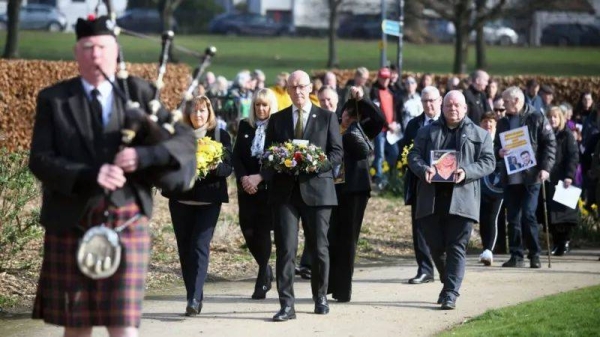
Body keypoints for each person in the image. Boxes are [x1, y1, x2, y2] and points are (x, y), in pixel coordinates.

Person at [29, 15, 196, 337]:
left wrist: (145, 155)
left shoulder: (139, 92)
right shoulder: (55, 99)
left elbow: (184, 140)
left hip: (126, 218)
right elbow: (39, 160)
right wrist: (89, 174)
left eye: (102, 47)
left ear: (116, 51)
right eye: (87, 47)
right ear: (76, 53)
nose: (95, 54)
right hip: (71, 219)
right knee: (76, 325)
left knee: (123, 325)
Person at [262, 70, 343, 321]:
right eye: (293, 87)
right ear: (287, 90)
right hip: (286, 193)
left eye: (302, 86)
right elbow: (268, 154)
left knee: (319, 248)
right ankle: (287, 304)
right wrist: (279, 161)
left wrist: (315, 164)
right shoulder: (277, 119)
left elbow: (337, 153)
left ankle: (320, 295)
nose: (297, 91)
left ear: (310, 89)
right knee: (286, 249)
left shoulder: (327, 117)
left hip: (318, 191)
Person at [408, 90, 495, 310]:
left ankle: (450, 293)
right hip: (432, 198)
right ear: (442, 107)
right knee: (435, 246)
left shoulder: (480, 134)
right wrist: (422, 169)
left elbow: (488, 162)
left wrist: (467, 171)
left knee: (456, 246)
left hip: (463, 199)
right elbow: (413, 155)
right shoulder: (426, 132)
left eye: (457, 105)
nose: (453, 109)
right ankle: (449, 284)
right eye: (449, 105)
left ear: (465, 108)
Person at [163, 95, 233, 316]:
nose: (198, 115)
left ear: (209, 113)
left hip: (208, 200)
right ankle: (193, 295)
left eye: (202, 111)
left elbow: (228, 169)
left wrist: (213, 165)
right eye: (194, 111)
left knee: (199, 247)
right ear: (188, 114)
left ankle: (194, 297)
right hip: (180, 200)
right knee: (185, 249)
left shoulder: (221, 135)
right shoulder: (177, 136)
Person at [328, 87, 384, 302]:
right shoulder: (331, 128)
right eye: (347, 113)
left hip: (355, 190)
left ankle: (343, 289)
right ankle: (329, 284)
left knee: (348, 239)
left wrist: (363, 100)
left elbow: (379, 119)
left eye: (354, 114)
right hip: (333, 189)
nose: (348, 117)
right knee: (331, 237)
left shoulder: (361, 130)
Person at [496, 86, 556, 269]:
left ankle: (535, 254)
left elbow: (549, 144)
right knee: (513, 217)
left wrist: (546, 168)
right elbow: (495, 145)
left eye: (505, 101)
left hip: (531, 177)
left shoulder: (536, 117)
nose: (503, 105)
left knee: (528, 215)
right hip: (511, 177)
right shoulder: (503, 122)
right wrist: (498, 152)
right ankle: (516, 255)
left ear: (516, 101)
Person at [232, 88, 278, 299]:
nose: (261, 109)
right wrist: (244, 179)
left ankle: (262, 278)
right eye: (258, 105)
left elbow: (280, 159)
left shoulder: (277, 127)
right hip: (246, 189)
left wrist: (260, 177)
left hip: (268, 188)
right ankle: (265, 268)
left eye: (265, 105)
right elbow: (237, 157)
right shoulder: (245, 125)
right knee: (248, 230)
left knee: (262, 231)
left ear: (271, 107)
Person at [398, 86, 441, 285]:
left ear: (439, 101)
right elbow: (405, 150)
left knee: (443, 225)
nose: (428, 105)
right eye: (425, 101)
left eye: (432, 100)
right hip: (419, 181)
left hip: (445, 184)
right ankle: (425, 269)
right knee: (419, 226)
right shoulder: (414, 124)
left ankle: (447, 266)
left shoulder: (447, 122)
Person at [539, 106, 579, 256]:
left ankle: (565, 242)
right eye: (550, 117)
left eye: (555, 117)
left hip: (563, 179)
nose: (552, 120)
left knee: (564, 214)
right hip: (550, 179)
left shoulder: (567, 135)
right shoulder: (545, 134)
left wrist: (569, 175)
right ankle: (556, 243)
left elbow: (573, 156)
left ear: (561, 119)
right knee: (550, 214)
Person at [370, 67, 401, 188]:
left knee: (394, 153)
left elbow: (393, 110)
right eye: (382, 78)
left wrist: (394, 122)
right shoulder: (374, 91)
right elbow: (376, 112)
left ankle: (385, 174)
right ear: (378, 78)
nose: (385, 81)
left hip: (391, 130)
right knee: (380, 155)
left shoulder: (390, 91)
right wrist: (387, 125)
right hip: (380, 129)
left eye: (387, 78)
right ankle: (379, 179)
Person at [479, 112, 504, 265]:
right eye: (485, 121)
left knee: (493, 217)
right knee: (483, 218)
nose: (488, 125)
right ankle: (485, 249)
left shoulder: (502, 141)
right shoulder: (477, 140)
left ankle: (490, 249)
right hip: (480, 186)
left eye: (491, 122)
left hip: (497, 186)